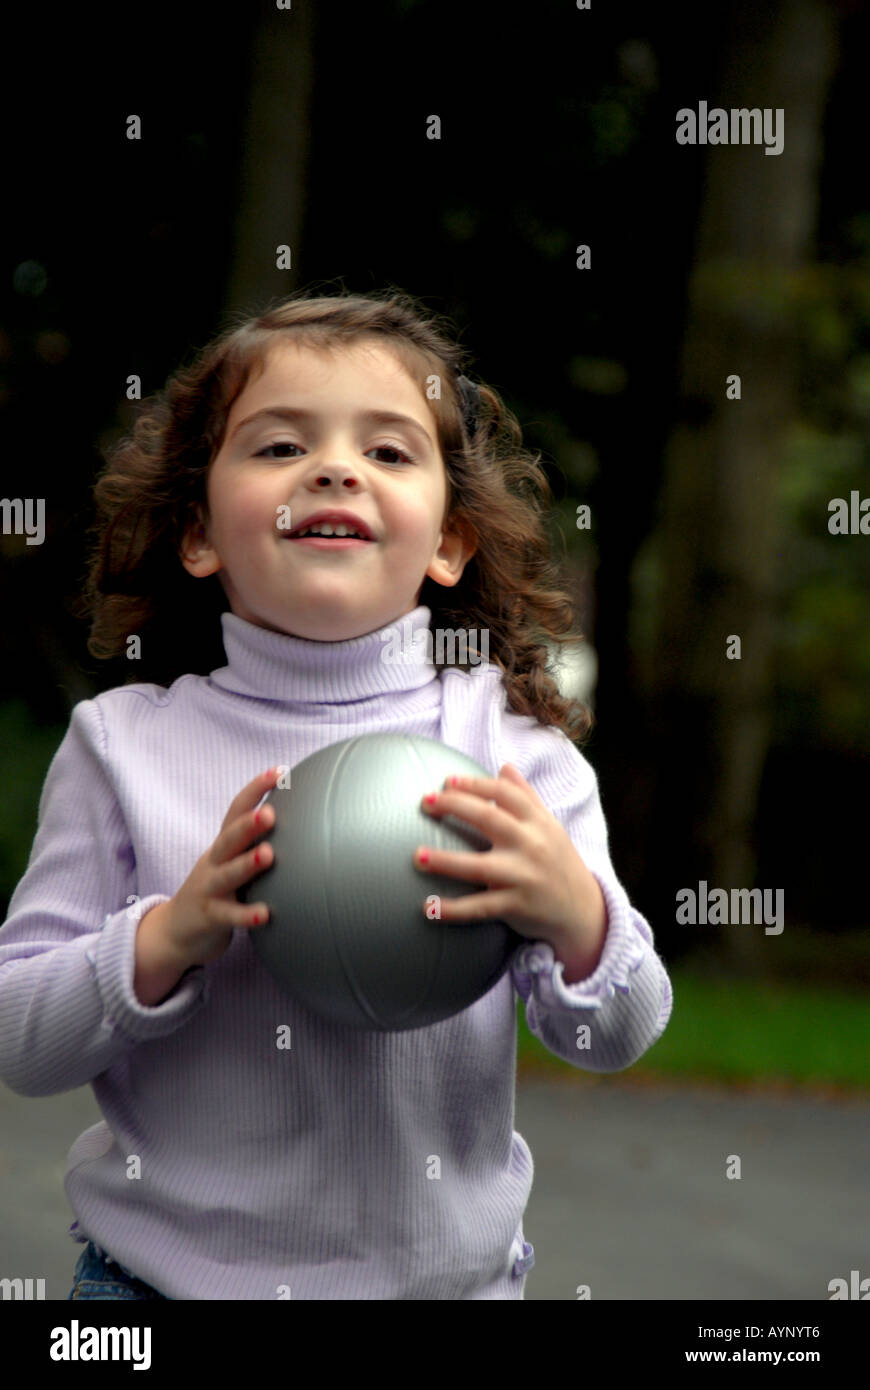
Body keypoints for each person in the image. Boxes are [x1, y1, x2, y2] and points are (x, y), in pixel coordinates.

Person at [0, 287, 673, 1300]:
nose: (334, 467)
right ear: (199, 532)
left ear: (450, 541)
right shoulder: (124, 745)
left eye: (391, 453)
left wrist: (574, 916)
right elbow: (20, 1038)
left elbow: (617, 1030)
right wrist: (167, 935)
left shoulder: (510, 749)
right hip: (152, 1293)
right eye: (277, 446)